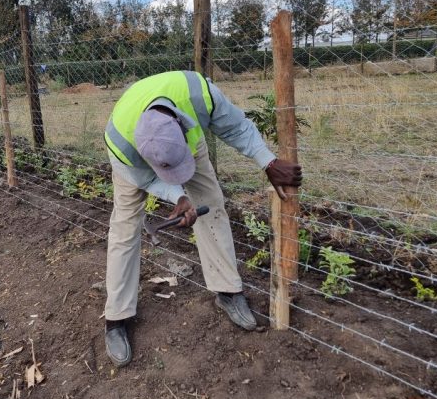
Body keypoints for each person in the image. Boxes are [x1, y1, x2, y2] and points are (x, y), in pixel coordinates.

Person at [103, 70, 302, 367]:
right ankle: (117, 318)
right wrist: (178, 197)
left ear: (183, 124)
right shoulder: (121, 142)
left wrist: (267, 161)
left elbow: (236, 127)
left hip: (185, 146)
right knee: (125, 228)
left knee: (212, 205)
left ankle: (227, 290)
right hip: (133, 165)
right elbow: (146, 180)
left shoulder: (200, 94)